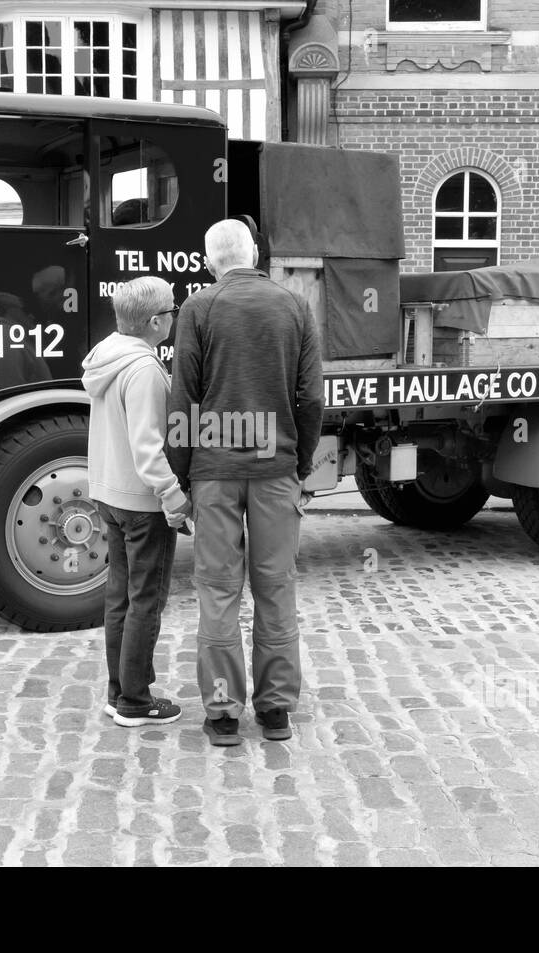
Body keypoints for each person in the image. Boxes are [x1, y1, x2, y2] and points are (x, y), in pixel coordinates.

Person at [167, 219, 324, 746]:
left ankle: (223, 712)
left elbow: (183, 396)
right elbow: (311, 399)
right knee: (276, 586)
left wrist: (182, 470)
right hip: (275, 468)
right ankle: (276, 709)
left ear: (210, 261)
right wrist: (299, 464)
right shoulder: (295, 306)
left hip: (213, 471)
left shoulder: (199, 308)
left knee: (217, 590)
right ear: (254, 252)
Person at [82, 276, 191, 727]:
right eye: (171, 311)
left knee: (120, 598)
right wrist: (174, 497)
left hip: (110, 493)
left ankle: (118, 690)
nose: (173, 316)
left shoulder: (108, 356)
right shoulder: (144, 369)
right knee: (146, 599)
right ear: (154, 322)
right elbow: (148, 446)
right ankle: (134, 699)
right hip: (142, 502)